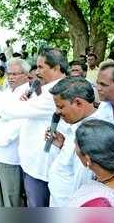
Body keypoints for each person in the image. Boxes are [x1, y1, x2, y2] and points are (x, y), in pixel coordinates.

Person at [0, 47, 69, 207]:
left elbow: (14, 113)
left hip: (33, 162)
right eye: (9, 74)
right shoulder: (35, 91)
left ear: (56, 68)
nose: (37, 72)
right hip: (26, 160)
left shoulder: (57, 92)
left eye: (41, 67)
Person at [0, 58, 31, 207]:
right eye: (9, 74)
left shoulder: (29, 94)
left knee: (11, 199)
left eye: (15, 74)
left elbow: (16, 126)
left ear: (26, 75)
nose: (11, 77)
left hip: (9, 155)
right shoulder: (6, 91)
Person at [46, 77, 98, 207]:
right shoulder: (77, 125)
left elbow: (83, 185)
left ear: (78, 103)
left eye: (60, 106)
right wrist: (62, 146)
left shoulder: (90, 134)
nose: (57, 112)